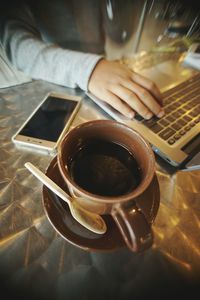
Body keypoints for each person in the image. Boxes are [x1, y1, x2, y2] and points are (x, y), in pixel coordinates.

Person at [0, 0, 165, 120]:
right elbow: (17, 46)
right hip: (57, 75)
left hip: (104, 74)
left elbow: (120, 34)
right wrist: (90, 69)